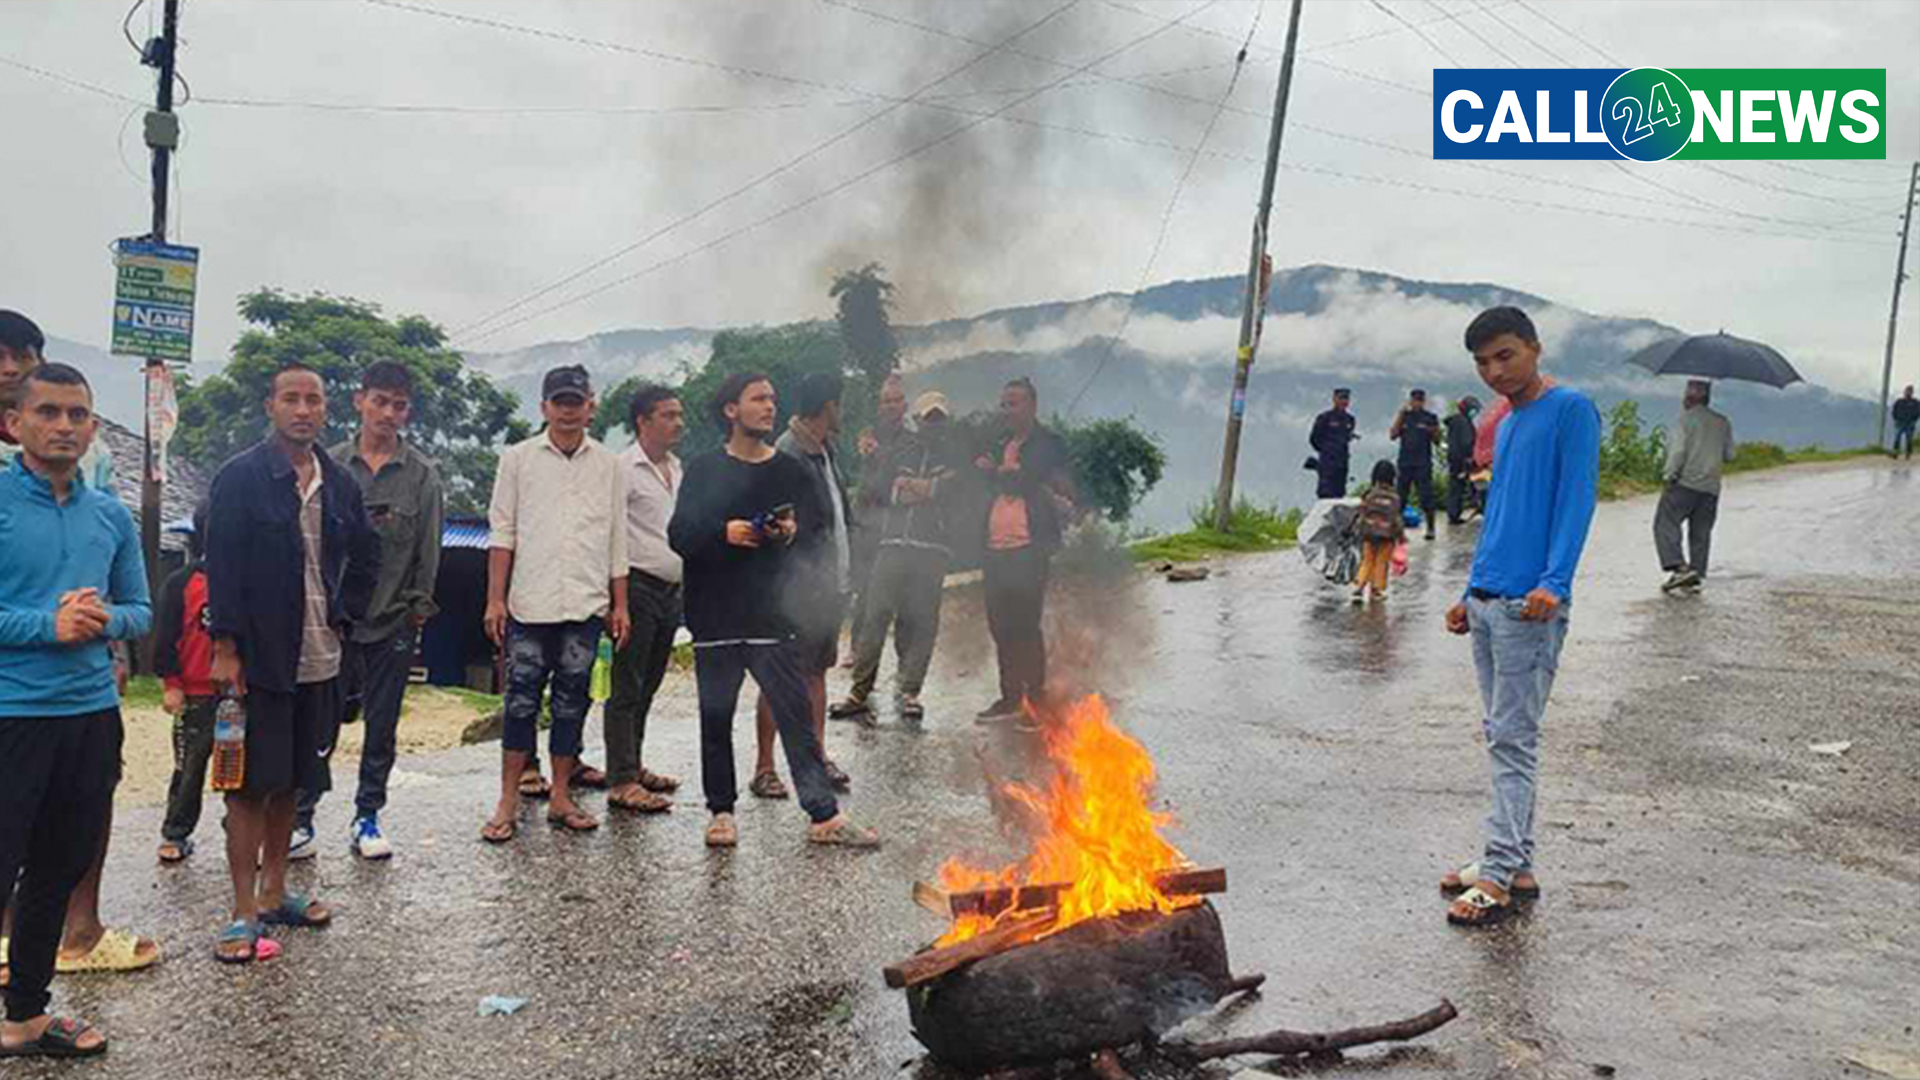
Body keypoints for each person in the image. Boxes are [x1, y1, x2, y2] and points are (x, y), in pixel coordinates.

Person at [0, 315, 156, 984]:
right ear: (15, 424)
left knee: (58, 865)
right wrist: (47, 627)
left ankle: (28, 1016)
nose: (64, 425)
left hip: (90, 711)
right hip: (14, 711)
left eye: (78, 414)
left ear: (94, 429)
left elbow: (143, 611)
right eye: (49, 412)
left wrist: (102, 621)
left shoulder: (111, 515)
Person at [205, 362, 379, 962]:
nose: (303, 409)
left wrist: (347, 613)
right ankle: (241, 910)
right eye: (291, 399)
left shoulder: (339, 481)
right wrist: (225, 648)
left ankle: (276, 891)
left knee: (292, 783)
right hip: (259, 662)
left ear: (326, 409)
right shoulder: (241, 478)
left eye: (313, 400)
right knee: (248, 786)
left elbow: (367, 554)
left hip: (320, 658)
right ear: (270, 406)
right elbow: (220, 568)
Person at [667, 372, 879, 849]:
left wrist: (787, 536)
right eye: (758, 399)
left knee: (796, 716)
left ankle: (823, 815)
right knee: (715, 717)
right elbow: (679, 535)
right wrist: (726, 532)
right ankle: (721, 812)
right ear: (731, 410)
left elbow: (816, 534)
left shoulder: (791, 471)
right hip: (716, 616)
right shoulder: (703, 470)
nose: (769, 407)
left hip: (775, 615)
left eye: (772, 399)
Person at [1441, 306, 1599, 928]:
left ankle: (1499, 873)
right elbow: (1500, 513)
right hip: (1489, 600)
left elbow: (1576, 500)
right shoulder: (1505, 424)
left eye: (1505, 355)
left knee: (1513, 740)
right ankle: (1517, 862)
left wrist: (1554, 583)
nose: (1494, 370)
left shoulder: (1571, 410)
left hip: (1529, 606)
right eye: (1482, 362)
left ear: (1534, 347)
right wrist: (1468, 589)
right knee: (1501, 733)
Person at [293, 360, 444, 861]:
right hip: (333, 623)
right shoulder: (328, 466)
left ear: (408, 412)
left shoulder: (422, 475)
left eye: (398, 405)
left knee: (382, 726)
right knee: (319, 724)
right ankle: (302, 816)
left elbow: (428, 550)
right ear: (359, 401)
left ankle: (368, 815)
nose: (387, 413)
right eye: (379, 401)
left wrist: (417, 608)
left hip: (393, 620)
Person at [481, 365, 630, 843]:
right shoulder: (518, 459)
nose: (568, 411)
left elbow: (616, 540)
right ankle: (507, 800)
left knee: (573, 704)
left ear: (590, 406)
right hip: (528, 605)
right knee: (520, 704)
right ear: (544, 407)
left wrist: (619, 605)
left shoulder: (609, 465)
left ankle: (562, 797)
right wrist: (495, 600)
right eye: (558, 402)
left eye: (576, 402)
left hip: (585, 607)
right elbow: (502, 532)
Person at [752, 371, 854, 796]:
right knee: (781, 675)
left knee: (816, 671)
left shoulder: (826, 449)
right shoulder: (789, 454)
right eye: (840, 403)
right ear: (828, 405)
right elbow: (779, 524)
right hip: (796, 589)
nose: (843, 412)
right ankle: (764, 767)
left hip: (830, 585)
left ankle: (815, 758)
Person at [830, 390, 959, 723]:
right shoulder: (902, 451)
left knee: (920, 623)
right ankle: (859, 691)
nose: (933, 424)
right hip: (891, 545)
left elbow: (957, 494)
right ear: (915, 420)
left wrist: (918, 488)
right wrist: (929, 488)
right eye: (927, 418)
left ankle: (909, 691)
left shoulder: (957, 455)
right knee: (875, 615)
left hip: (933, 550)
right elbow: (883, 492)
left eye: (939, 419)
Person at [974, 377, 1077, 726]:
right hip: (995, 549)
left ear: (1032, 405)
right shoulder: (999, 441)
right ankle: (1009, 697)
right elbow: (984, 475)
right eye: (1003, 403)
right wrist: (998, 472)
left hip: (1029, 549)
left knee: (1025, 625)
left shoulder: (1048, 443)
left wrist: (996, 472)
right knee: (999, 625)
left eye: (1013, 403)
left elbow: (1027, 480)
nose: (1006, 410)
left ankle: (1036, 699)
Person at [603, 384, 686, 816]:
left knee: (650, 682)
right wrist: (615, 602)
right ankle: (621, 779)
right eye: (668, 415)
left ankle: (633, 764)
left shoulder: (676, 468)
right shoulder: (622, 469)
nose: (678, 423)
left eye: (679, 415)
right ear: (643, 421)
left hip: (671, 591)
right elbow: (611, 534)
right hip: (635, 587)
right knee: (627, 686)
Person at [155, 501, 215, 864]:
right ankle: (176, 831)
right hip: (194, 693)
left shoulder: (250, 580)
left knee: (244, 772)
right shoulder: (181, 583)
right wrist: (171, 684)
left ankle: (241, 833)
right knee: (189, 768)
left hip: (240, 695)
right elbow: (165, 639)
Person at [842, 374, 910, 667]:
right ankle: (857, 649)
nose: (891, 406)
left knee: (902, 594)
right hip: (867, 522)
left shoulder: (911, 440)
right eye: (886, 401)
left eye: (896, 400)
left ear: (904, 405)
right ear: (879, 406)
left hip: (897, 522)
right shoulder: (867, 434)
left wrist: (877, 453)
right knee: (865, 590)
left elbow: (898, 471)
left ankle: (904, 658)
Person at [1654, 379, 1733, 593]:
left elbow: (1678, 452)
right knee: (1701, 533)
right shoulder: (1723, 422)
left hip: (1684, 484)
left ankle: (1679, 568)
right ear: (1707, 398)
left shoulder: (1684, 420)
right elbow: (1729, 455)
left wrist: (1669, 475)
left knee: (1665, 523)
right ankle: (1695, 574)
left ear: (1688, 398)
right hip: (1711, 488)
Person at [1350, 460, 1405, 604]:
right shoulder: (1395, 497)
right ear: (1393, 477)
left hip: (1368, 534)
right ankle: (1376, 590)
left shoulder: (1369, 494)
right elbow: (1396, 519)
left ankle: (1359, 588)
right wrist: (1401, 536)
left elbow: (1361, 512)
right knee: (1381, 562)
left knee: (1367, 560)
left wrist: (1355, 529)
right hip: (1387, 536)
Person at [1390, 388, 1440, 540]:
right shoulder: (1404, 416)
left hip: (1423, 463)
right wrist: (1400, 414)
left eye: (1419, 400)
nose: (1416, 403)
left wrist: (1433, 431)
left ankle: (1431, 528)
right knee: (1401, 497)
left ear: (1423, 401)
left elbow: (1437, 441)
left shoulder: (1430, 417)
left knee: (1426, 496)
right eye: (1414, 400)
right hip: (1405, 463)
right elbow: (1393, 435)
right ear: (1410, 401)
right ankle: (1397, 531)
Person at [1308, 388, 1358, 499]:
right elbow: (1314, 439)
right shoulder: (1325, 418)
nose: (1344, 401)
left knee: (1339, 494)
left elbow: (1347, 438)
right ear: (1334, 399)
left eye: (1346, 398)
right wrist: (1327, 451)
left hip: (1342, 462)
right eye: (1341, 398)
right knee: (1326, 494)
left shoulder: (1350, 420)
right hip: (1328, 462)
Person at [1444, 396, 1482, 524]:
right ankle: (1478, 508)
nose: (1475, 412)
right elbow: (1467, 442)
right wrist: (1470, 458)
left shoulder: (1455, 421)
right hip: (1463, 460)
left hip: (1453, 458)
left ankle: (1453, 514)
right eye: (1474, 409)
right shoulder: (1464, 422)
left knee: (1455, 486)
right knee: (1477, 483)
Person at [1892, 385, 1918, 459]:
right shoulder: (1899, 401)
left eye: (1910, 391)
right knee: (1897, 438)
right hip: (1899, 423)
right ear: (1904, 392)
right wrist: (1896, 418)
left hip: (1909, 423)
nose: (1908, 393)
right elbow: (1894, 410)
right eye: (1907, 391)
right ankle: (1895, 452)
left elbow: (1918, 412)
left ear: (1912, 393)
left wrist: (1914, 420)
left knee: (1909, 439)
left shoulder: (1915, 402)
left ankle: (1908, 453)